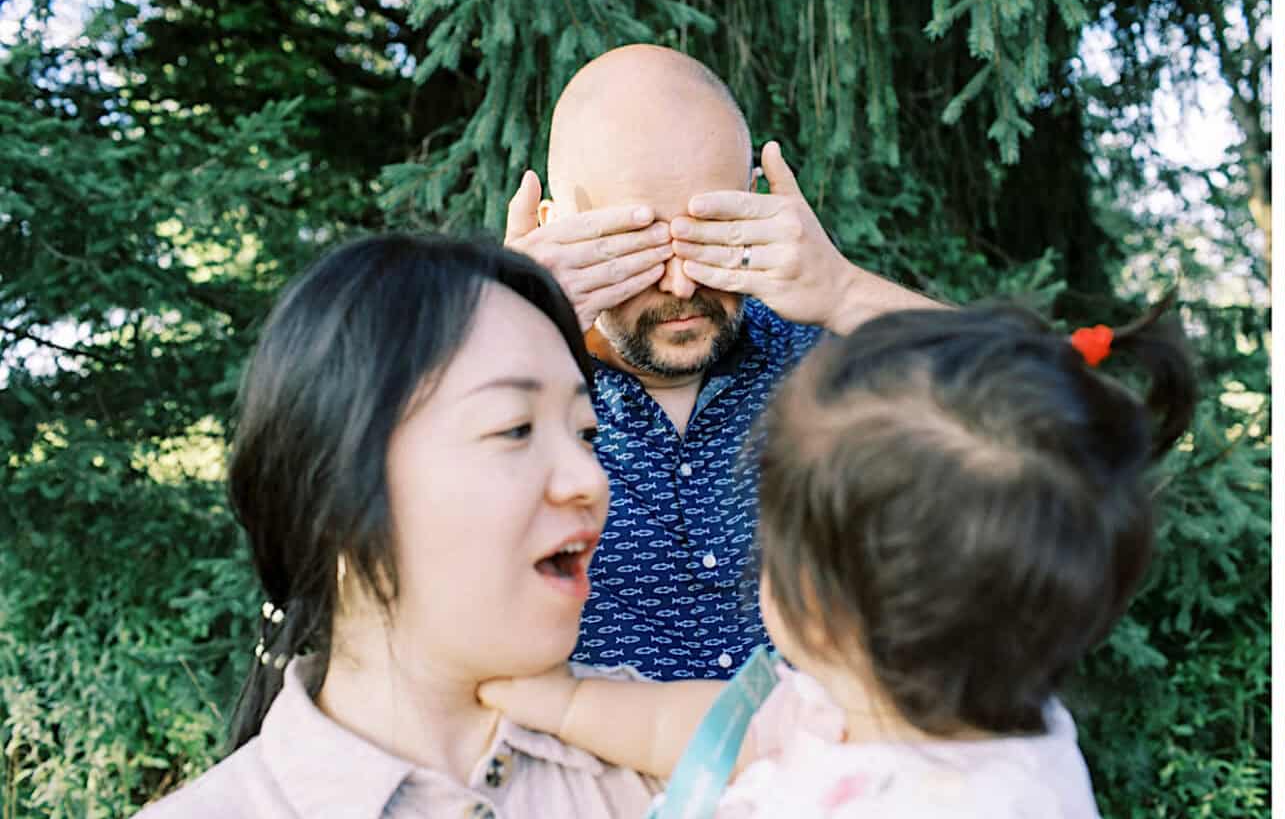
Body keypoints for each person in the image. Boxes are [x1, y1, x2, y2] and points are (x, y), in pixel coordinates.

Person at [476, 300, 1200, 816]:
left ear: (816, 608)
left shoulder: (981, 801)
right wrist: (568, 702)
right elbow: (718, 729)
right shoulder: (880, 695)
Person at [139, 235, 654, 818]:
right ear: (333, 492)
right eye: (515, 428)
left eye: (587, 433)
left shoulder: (682, 758)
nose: (589, 478)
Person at [500, 44, 939, 680]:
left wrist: (845, 291)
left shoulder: (823, 357)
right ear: (555, 229)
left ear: (757, 205)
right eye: (638, 246)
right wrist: (503, 327)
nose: (681, 285)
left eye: (709, 235)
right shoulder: (499, 393)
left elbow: (1048, 418)